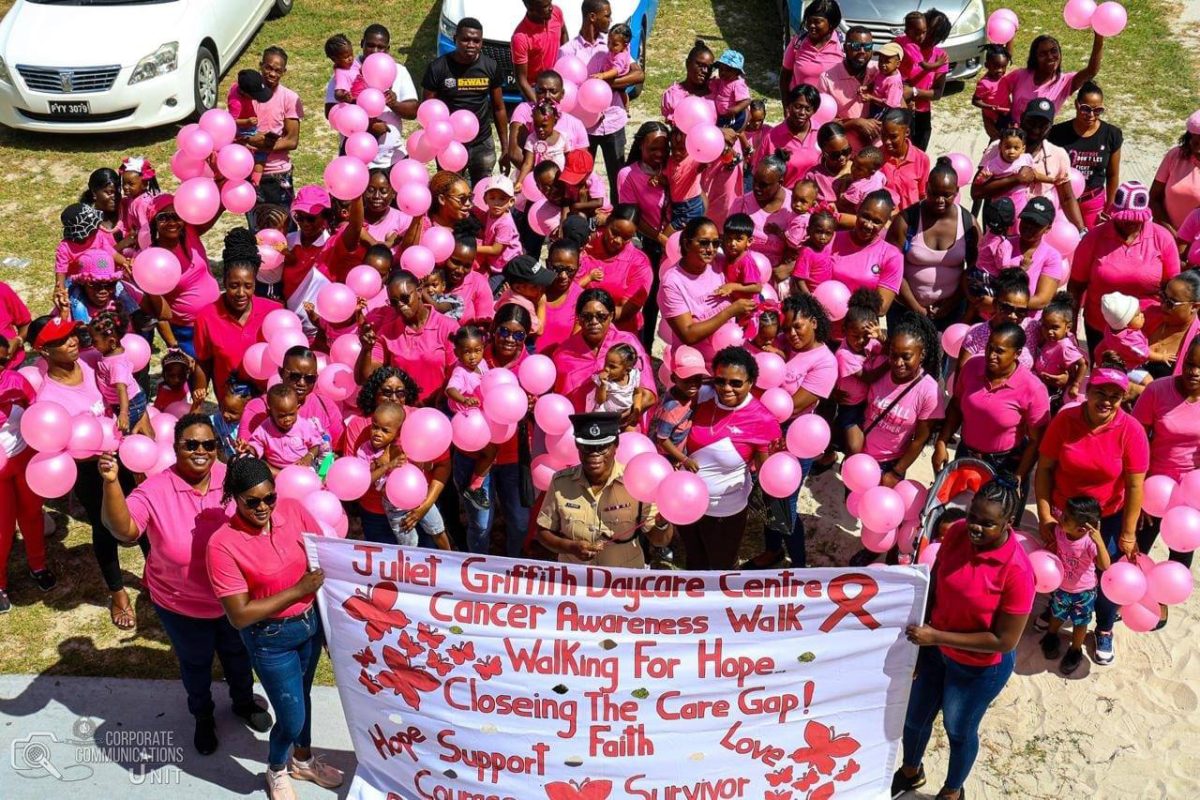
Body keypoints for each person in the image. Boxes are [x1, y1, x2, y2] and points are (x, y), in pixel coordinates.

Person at [98, 415, 271, 755]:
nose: (201, 451)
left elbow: (266, 507)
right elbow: (125, 531)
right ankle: (203, 716)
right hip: (182, 606)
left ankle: (242, 703)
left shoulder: (232, 478)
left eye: (209, 444)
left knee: (238, 655)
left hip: (234, 602)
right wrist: (110, 483)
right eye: (191, 444)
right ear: (175, 447)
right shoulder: (154, 488)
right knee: (196, 663)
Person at [206, 456, 344, 799]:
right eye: (252, 502)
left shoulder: (295, 510)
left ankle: (303, 759)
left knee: (303, 698)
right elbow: (239, 615)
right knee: (291, 716)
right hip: (271, 640)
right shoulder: (222, 544)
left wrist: (326, 626)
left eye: (270, 497)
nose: (264, 507)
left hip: (309, 628)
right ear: (234, 498)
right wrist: (298, 590)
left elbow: (321, 561)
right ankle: (277, 768)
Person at [893, 479, 1033, 800]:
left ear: (1007, 524)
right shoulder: (956, 533)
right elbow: (935, 587)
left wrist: (935, 636)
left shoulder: (1017, 572)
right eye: (973, 517)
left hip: (978, 668)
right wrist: (922, 637)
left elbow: (1003, 640)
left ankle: (952, 792)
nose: (976, 528)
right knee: (915, 719)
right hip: (934, 651)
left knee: (958, 730)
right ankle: (911, 772)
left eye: (988, 523)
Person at [28, 315, 144, 629]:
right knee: (104, 525)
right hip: (91, 471)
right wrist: (95, 455)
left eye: (72, 334)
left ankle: (158, 575)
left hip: (126, 454)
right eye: (62, 341)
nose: (73, 341)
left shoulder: (95, 360)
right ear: (44, 353)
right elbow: (59, 448)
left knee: (143, 512)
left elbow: (124, 369)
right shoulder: (49, 402)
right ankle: (118, 593)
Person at [1036, 365, 1149, 665]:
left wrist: (1128, 532)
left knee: (1106, 574)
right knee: (1065, 563)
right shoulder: (1066, 420)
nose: (1107, 401)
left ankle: (1105, 627)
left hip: (1108, 517)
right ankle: (1058, 610)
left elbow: (1136, 484)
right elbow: (1045, 469)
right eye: (1101, 392)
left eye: (1116, 396)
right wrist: (1046, 515)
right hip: (1065, 514)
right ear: (1087, 391)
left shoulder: (1131, 430)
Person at [746, 293, 837, 569]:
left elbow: (794, 404)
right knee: (766, 492)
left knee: (785, 501)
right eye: (787, 328)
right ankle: (772, 551)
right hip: (765, 428)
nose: (792, 334)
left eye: (799, 326)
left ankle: (798, 564)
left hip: (795, 437)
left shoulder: (825, 362)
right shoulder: (782, 343)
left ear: (814, 322)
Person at [678, 348, 782, 570]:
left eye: (736, 383)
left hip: (724, 511)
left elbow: (766, 475)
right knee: (694, 561)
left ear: (751, 383)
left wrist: (776, 458)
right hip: (686, 501)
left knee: (720, 568)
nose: (726, 388)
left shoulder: (762, 419)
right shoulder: (701, 397)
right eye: (720, 381)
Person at [536, 412, 672, 567]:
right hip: (577, 580)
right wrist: (571, 547)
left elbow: (659, 540)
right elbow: (543, 531)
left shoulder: (636, 482)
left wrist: (663, 524)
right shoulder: (561, 483)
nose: (594, 455)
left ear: (616, 446)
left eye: (602, 447)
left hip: (622, 581)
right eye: (587, 448)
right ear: (577, 447)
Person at [453, 304, 536, 557]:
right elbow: (452, 395)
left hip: (513, 457)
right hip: (475, 454)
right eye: (504, 331)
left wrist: (531, 405)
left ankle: (511, 568)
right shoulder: (474, 356)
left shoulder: (532, 367)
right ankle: (477, 568)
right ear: (493, 330)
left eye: (519, 334)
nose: (510, 339)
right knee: (479, 525)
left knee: (520, 523)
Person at [934, 323, 1051, 492]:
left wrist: (1018, 477)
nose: (991, 355)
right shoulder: (971, 367)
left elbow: (1036, 440)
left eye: (1000, 351)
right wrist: (941, 442)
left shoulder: (1033, 388)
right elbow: (956, 406)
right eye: (989, 347)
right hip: (966, 455)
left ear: (1017, 353)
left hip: (1005, 466)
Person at [1069, 180, 1181, 356]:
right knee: (1106, 380)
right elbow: (1075, 288)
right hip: (1100, 329)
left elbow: (1175, 290)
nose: (1129, 224)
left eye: (1135, 220)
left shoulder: (1163, 238)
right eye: (1124, 220)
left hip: (1148, 331)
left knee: (1143, 382)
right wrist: (1071, 330)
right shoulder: (1094, 238)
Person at [1132, 338, 1200, 603]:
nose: (1194, 372)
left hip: (1191, 495)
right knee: (1139, 546)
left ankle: (1163, 600)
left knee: (1181, 550)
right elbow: (1136, 441)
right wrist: (1137, 492)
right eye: (1190, 364)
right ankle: (1129, 597)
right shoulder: (1158, 391)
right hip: (1153, 489)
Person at [560, 0, 644, 200]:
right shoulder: (568, 50)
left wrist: (606, 85)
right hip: (583, 127)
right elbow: (565, 88)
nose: (610, 19)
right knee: (581, 178)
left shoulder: (614, 43)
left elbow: (638, 75)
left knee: (617, 177)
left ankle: (617, 221)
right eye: (606, 15)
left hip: (612, 121)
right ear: (592, 17)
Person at [889, 157, 979, 331]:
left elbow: (974, 267)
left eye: (946, 195)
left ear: (956, 191)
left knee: (941, 356)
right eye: (934, 193)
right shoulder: (906, 220)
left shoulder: (969, 223)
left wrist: (951, 303)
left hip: (950, 312)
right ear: (926, 188)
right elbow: (892, 267)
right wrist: (915, 306)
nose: (940, 200)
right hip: (905, 310)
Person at [972, 98, 1085, 231]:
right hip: (1000, 229)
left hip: (1035, 235)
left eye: (1043, 125)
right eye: (1031, 122)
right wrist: (1015, 179)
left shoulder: (1058, 155)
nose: (1036, 129)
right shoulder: (998, 148)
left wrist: (1081, 230)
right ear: (1022, 118)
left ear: (1050, 127)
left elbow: (1067, 198)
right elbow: (976, 192)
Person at [194, 229, 283, 395]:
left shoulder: (275, 312)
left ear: (255, 284)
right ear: (224, 281)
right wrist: (198, 398)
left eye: (248, 286)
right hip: (229, 404)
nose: (241, 293)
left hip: (268, 402)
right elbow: (203, 362)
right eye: (234, 285)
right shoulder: (206, 317)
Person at [421, 18, 509, 183]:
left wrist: (505, 148)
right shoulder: (438, 68)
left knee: (482, 190)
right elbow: (427, 111)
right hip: (450, 144)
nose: (471, 44)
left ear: (481, 42)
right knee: (450, 189)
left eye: (476, 40)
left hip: (482, 141)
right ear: (455, 39)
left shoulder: (490, 67)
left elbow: (499, 108)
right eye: (465, 39)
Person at [0, 338, 52, 613]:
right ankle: (0, 583)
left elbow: (36, 411)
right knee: (2, 529)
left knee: (32, 515)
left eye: (1, 361)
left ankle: (38, 564)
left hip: (23, 459)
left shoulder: (15, 381)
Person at [321, 25, 420, 170]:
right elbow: (330, 113)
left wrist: (394, 104)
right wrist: (369, 126)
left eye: (381, 47)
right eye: (370, 45)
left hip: (392, 161)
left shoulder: (399, 71)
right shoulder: (345, 71)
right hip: (355, 159)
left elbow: (413, 111)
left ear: (388, 49)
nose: (375, 51)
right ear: (362, 44)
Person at [659, 217, 757, 361]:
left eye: (716, 243)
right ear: (687, 244)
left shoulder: (719, 262)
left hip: (728, 363)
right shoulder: (672, 282)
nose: (711, 249)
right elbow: (688, 335)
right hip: (695, 367)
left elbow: (751, 280)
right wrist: (731, 311)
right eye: (704, 243)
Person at [356, 270, 458, 406]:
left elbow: (456, 374)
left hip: (438, 412)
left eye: (405, 298)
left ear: (420, 291)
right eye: (393, 302)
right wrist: (366, 350)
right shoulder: (386, 333)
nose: (400, 306)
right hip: (401, 413)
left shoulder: (448, 327)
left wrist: (432, 403)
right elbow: (365, 379)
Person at [553, 289, 656, 418]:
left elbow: (648, 394)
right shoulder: (563, 355)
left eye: (601, 316)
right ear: (578, 318)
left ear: (611, 315)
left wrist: (618, 421)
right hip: (578, 431)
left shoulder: (628, 343)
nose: (594, 321)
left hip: (625, 427)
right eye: (587, 317)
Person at [142, 194, 223, 356]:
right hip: (187, 332)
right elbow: (160, 313)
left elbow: (216, 205)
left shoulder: (190, 232)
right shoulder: (152, 260)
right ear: (154, 223)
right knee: (196, 379)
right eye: (164, 217)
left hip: (217, 319)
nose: (172, 222)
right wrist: (174, 347)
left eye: (176, 216)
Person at [1040, 495, 1111, 674]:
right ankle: (1051, 636)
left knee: (1080, 622)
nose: (1060, 519)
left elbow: (1105, 565)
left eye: (1065, 518)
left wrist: (1100, 542)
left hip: (1084, 592)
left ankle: (1075, 650)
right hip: (1062, 587)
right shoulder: (1060, 531)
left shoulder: (1089, 543)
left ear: (1081, 529)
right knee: (1057, 614)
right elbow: (1055, 545)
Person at [1048, 82, 1123, 230]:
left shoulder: (1111, 134)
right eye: (1085, 109)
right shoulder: (1057, 133)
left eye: (1097, 110)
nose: (1091, 115)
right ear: (1077, 105)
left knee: (1091, 246)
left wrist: (1109, 207)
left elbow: (1113, 175)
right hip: (1062, 200)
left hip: (1093, 202)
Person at [243, 47, 303, 216]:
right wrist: (249, 141)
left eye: (277, 70)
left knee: (284, 224)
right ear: (260, 66)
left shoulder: (289, 98)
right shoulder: (245, 94)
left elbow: (292, 141)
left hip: (278, 174)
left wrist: (261, 144)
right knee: (256, 228)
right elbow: (234, 129)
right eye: (268, 68)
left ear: (284, 72)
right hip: (247, 171)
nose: (272, 74)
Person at [998, 32, 1105, 122]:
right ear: (1035, 57)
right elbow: (995, 89)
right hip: (1012, 138)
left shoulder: (1065, 83)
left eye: (1054, 51)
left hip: (1039, 140)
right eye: (1043, 54)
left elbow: (1091, 71)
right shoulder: (1019, 75)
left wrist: (1099, 36)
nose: (1050, 57)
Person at [579, 205, 653, 332]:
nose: (618, 241)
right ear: (607, 222)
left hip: (620, 333)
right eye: (614, 233)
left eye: (626, 238)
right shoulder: (585, 245)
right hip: (579, 327)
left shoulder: (639, 263)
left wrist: (591, 318)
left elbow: (626, 312)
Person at [829, 190, 904, 313]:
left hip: (859, 328)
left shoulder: (892, 256)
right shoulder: (832, 239)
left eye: (877, 221)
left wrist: (842, 303)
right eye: (865, 216)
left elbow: (881, 307)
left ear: (885, 223)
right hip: (824, 320)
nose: (868, 225)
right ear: (857, 210)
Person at [895, 9, 951, 151]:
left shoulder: (940, 57)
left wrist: (913, 92)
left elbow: (937, 93)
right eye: (930, 34)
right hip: (896, 110)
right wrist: (901, 93)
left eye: (937, 38)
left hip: (921, 115)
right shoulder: (902, 45)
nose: (931, 40)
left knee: (917, 156)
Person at [727, 155, 794, 267]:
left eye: (764, 185)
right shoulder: (741, 204)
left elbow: (804, 247)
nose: (756, 188)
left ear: (780, 182)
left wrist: (788, 268)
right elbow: (728, 241)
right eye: (755, 181)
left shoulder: (794, 206)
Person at [818, 26, 880, 147]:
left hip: (878, 152)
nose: (862, 51)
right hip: (845, 153)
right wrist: (854, 123)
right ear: (845, 48)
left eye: (867, 47)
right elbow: (823, 124)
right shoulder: (827, 79)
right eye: (856, 46)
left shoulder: (879, 71)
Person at [780, 0, 844, 101]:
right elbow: (785, 76)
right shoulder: (798, 42)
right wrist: (786, 106)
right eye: (809, 21)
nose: (811, 26)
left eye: (817, 22)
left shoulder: (842, 46)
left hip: (831, 112)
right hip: (801, 110)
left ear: (831, 23)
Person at [763, 84, 823, 188]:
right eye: (798, 107)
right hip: (784, 199)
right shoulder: (772, 137)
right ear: (789, 106)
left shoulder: (821, 133)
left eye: (808, 109)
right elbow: (761, 173)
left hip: (814, 199)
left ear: (814, 111)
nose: (802, 113)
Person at [1146, 271, 1200, 379]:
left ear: (1194, 307)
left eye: (1171, 303)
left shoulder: (1197, 342)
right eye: (1163, 296)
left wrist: (1138, 390)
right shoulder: (1146, 314)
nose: (1163, 305)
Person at [512, 0, 566, 103]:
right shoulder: (520, 38)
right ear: (531, 9)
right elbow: (521, 80)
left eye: (550, 2)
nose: (551, 8)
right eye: (545, 6)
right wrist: (538, 105)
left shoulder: (556, 12)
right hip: (537, 90)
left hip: (558, 84)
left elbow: (563, 32)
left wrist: (565, 60)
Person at [538, 239, 584, 355]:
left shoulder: (581, 300)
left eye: (570, 270)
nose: (563, 276)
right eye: (557, 269)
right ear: (548, 263)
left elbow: (576, 343)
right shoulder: (533, 290)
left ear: (579, 267)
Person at [879, 109, 930, 212]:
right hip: (885, 221)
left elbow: (923, 194)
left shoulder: (921, 159)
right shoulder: (876, 157)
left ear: (906, 132)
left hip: (911, 219)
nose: (887, 141)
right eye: (883, 135)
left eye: (893, 137)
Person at [803, 122, 854, 206]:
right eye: (835, 155)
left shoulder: (860, 168)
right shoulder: (813, 177)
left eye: (846, 151)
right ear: (824, 152)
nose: (842, 158)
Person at [972, 45, 1012, 142]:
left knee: (1009, 138)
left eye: (1003, 67)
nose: (1000, 70)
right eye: (996, 67)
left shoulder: (1003, 78)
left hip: (1007, 113)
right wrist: (989, 107)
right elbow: (975, 101)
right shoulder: (984, 83)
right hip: (995, 118)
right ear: (987, 65)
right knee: (997, 140)